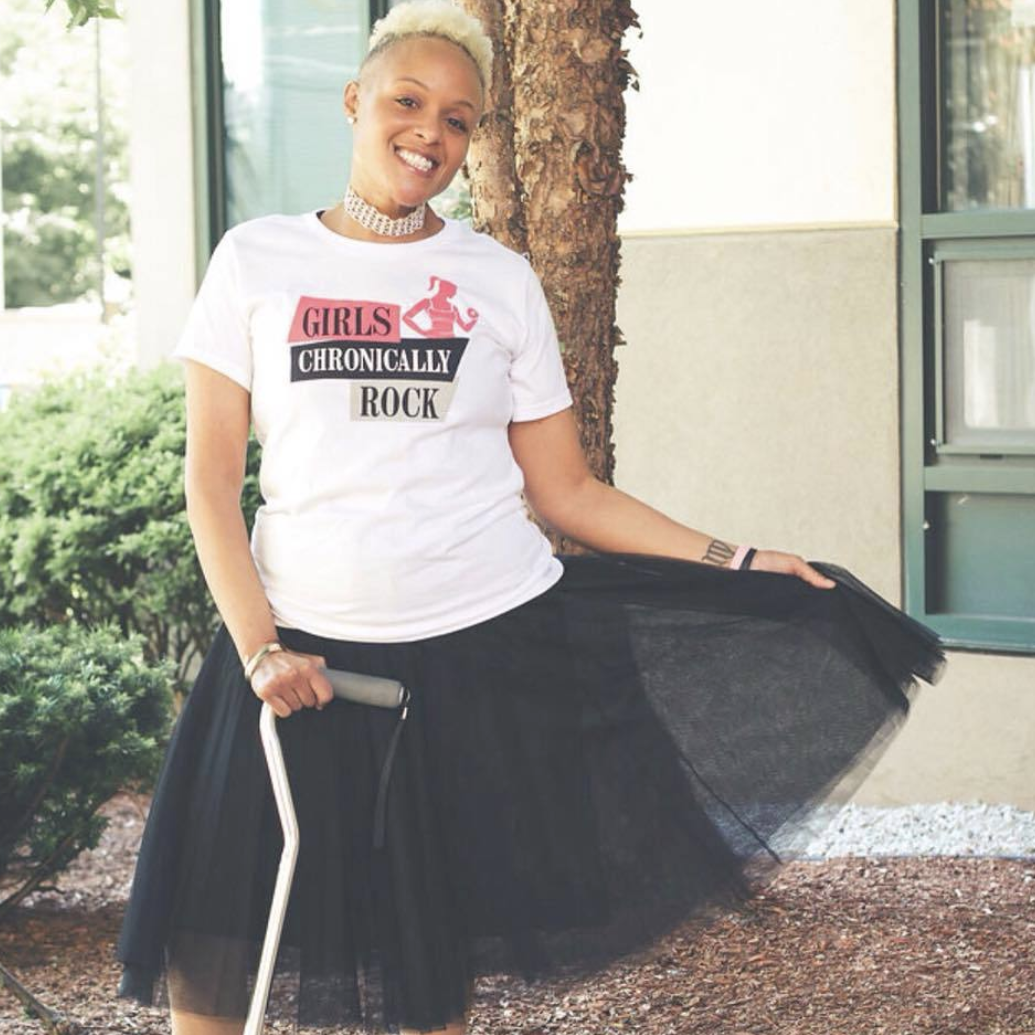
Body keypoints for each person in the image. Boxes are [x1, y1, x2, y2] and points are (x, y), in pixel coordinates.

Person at [113, 2, 947, 1033]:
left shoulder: (496, 280)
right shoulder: (256, 261)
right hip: (297, 650)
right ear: (354, 102)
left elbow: (569, 494)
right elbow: (211, 484)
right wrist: (258, 648)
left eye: (460, 118)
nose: (431, 132)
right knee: (216, 946)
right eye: (408, 102)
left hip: (475, 646)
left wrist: (737, 560)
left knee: (432, 947)